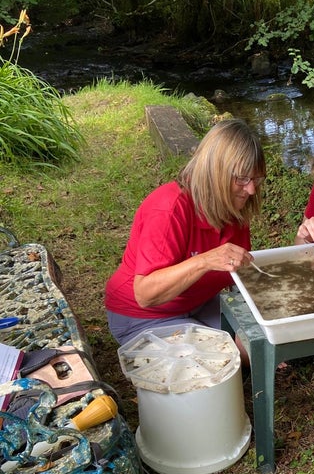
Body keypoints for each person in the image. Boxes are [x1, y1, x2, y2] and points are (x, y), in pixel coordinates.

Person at [105, 118, 265, 347]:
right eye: (241, 178)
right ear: (215, 172)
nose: (250, 189)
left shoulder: (233, 204)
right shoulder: (169, 208)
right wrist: (204, 261)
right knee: (222, 362)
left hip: (200, 304)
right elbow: (145, 294)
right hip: (143, 316)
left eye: (256, 179)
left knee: (258, 345)